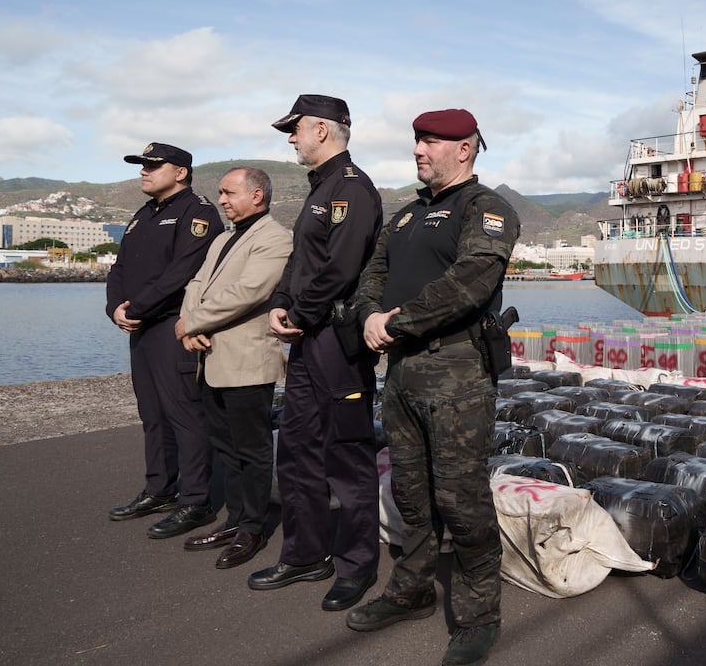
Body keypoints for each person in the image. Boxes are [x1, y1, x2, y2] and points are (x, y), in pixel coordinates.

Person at [346, 109, 520, 666]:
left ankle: (478, 617)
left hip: (458, 374)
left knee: (461, 501)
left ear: (464, 149)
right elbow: (372, 275)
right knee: (411, 494)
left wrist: (393, 323)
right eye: (417, 141)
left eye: (430, 142)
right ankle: (413, 589)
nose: (419, 150)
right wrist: (370, 316)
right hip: (402, 373)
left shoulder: (486, 209)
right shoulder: (406, 216)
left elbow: (470, 283)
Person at [247, 95, 384, 613]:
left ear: (322, 131)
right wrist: (283, 302)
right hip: (308, 337)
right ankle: (305, 553)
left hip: (336, 342)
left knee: (347, 456)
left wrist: (299, 312)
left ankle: (355, 565)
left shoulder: (352, 189)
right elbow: (302, 264)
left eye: (295, 129)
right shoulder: (319, 190)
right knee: (298, 449)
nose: (290, 138)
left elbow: (341, 268)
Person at [106, 142, 225, 538]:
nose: (144, 171)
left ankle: (195, 501)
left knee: (185, 415)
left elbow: (183, 272)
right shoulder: (142, 216)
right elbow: (119, 268)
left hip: (176, 327)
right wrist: (115, 309)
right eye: (142, 165)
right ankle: (159, 488)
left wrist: (136, 306)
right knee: (152, 413)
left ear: (180, 173)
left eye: (153, 166)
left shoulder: (199, 213)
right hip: (141, 328)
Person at [175, 167, 292, 568]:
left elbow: (248, 293)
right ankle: (236, 519)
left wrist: (193, 322)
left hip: (246, 362)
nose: (221, 200)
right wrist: (188, 326)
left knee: (252, 449)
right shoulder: (224, 238)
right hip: (210, 357)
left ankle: (253, 528)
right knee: (224, 446)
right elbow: (196, 285)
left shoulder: (275, 238)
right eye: (220, 193)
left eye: (228, 192)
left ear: (257, 195)